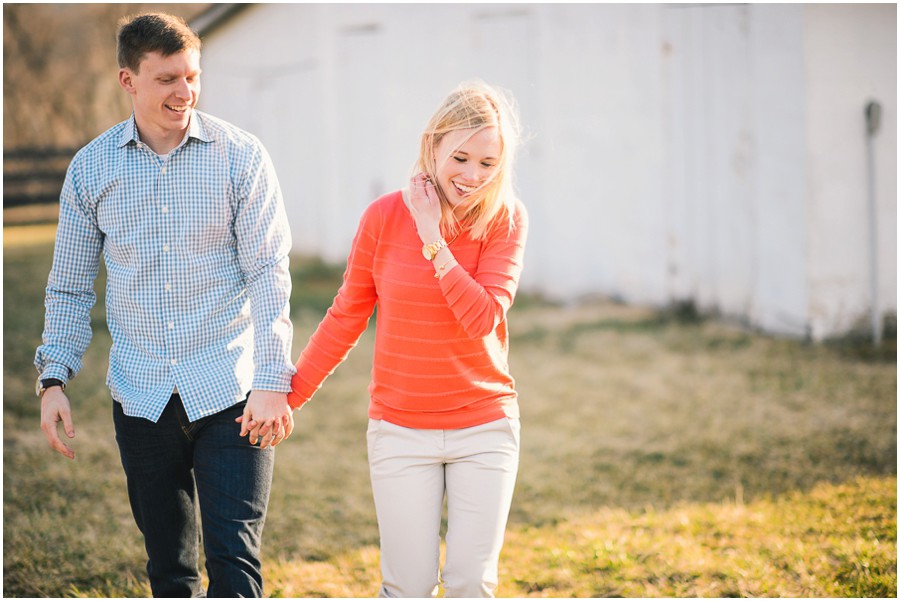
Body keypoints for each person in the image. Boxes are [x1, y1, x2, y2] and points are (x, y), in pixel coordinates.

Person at [35, 13, 296, 597]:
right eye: (167, 79)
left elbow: (268, 274)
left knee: (237, 567)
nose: (186, 92)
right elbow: (71, 286)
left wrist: (273, 378)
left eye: (193, 76)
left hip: (234, 394)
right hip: (142, 396)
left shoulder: (241, 157)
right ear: (128, 80)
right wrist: (54, 377)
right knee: (169, 570)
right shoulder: (91, 169)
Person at [248, 80, 528, 597]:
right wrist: (289, 397)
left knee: (472, 585)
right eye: (460, 157)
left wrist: (432, 236)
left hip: (484, 428)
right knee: (407, 587)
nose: (472, 175)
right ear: (432, 146)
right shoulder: (381, 217)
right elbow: (346, 316)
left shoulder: (505, 220)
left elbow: (482, 317)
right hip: (399, 431)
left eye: (487, 164)